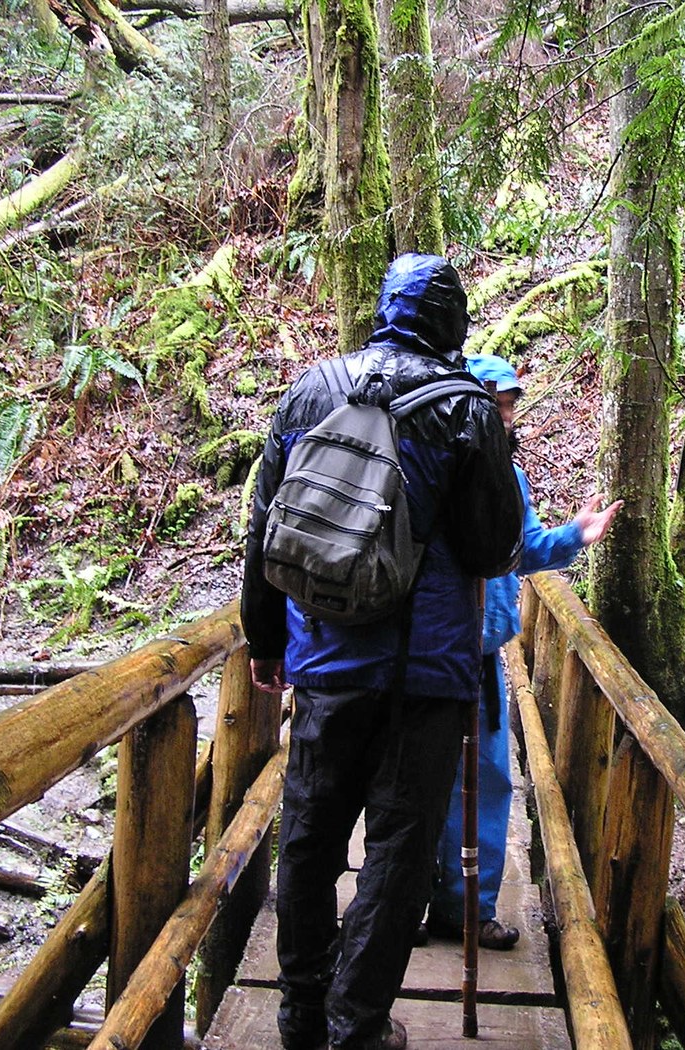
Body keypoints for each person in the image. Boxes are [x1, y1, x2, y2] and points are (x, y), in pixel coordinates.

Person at [241, 255, 525, 1050]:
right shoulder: (467, 410)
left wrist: (265, 640)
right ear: (451, 322)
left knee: (308, 834)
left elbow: (265, 527)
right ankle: (356, 1025)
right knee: (398, 850)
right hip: (426, 672)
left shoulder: (310, 389)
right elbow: (494, 545)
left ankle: (299, 1012)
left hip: (325, 659)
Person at [424, 352, 621, 950]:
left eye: (511, 404)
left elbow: (524, 544)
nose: (510, 415)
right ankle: (405, 903)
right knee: (415, 779)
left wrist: (572, 537)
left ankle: (467, 908)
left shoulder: (508, 475)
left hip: (482, 650)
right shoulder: (429, 461)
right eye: (501, 404)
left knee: (484, 777)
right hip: (433, 650)